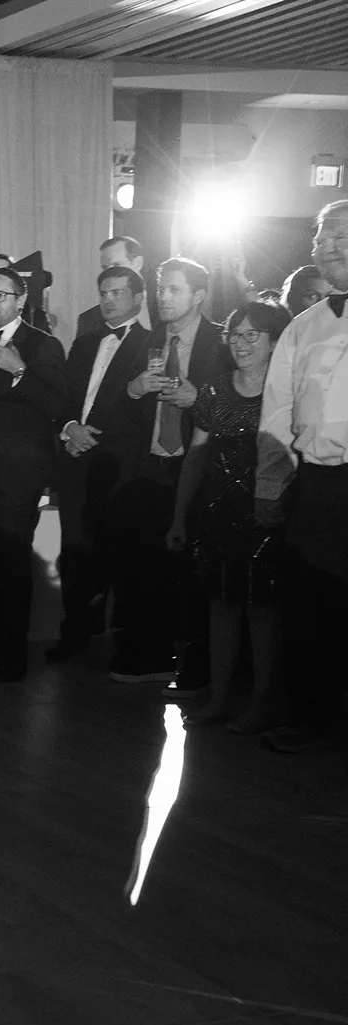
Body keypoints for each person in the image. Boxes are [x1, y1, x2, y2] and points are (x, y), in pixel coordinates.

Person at [166, 302, 290, 731]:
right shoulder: (215, 391)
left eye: (252, 334)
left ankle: (261, 704)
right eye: (235, 334)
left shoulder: (286, 389)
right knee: (221, 607)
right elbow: (196, 458)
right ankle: (219, 699)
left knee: (263, 612)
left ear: (275, 341)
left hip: (268, 514)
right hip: (218, 514)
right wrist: (179, 516)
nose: (241, 343)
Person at [255, 199, 348, 753]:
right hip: (317, 485)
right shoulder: (302, 326)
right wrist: (270, 488)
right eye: (320, 237)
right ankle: (308, 716)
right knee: (311, 604)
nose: (326, 246)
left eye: (338, 235)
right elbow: (276, 412)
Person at [111, 257, 229, 688]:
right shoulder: (150, 340)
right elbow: (123, 408)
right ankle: (153, 654)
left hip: (199, 466)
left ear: (198, 295)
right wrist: (134, 388)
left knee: (195, 571)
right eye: (161, 288)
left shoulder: (221, 342)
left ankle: (200, 665)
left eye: (174, 289)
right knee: (147, 563)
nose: (163, 297)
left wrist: (199, 400)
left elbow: (239, 407)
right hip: (151, 465)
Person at [51, 266, 150, 662]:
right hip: (75, 458)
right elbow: (64, 397)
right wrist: (70, 428)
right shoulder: (84, 342)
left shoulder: (150, 344)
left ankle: (122, 640)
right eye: (103, 293)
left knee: (116, 552)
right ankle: (74, 632)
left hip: (119, 464)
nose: (107, 300)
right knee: (73, 550)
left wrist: (91, 436)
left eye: (117, 293)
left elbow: (138, 414)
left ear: (138, 298)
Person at [0, 267, 66, 681]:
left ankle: (14, 651)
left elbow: (55, 404)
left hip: (19, 471)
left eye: (1, 295)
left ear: (20, 300)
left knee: (11, 559)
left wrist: (19, 370)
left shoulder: (43, 344)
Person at [77, 236, 151, 339]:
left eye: (116, 265)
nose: (109, 272)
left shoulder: (163, 308)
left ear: (137, 263)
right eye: (105, 267)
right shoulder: (89, 320)